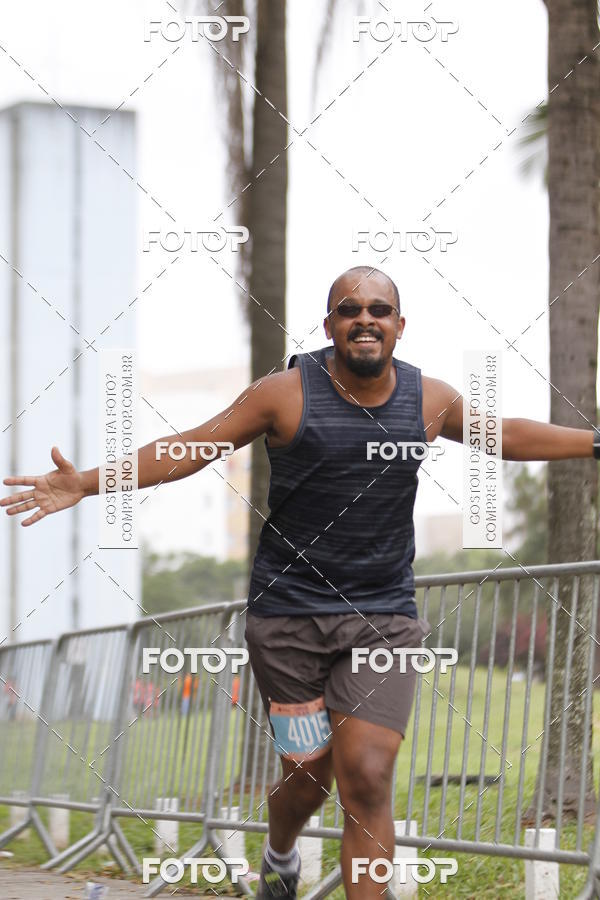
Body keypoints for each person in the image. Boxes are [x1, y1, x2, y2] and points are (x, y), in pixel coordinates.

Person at [2, 266, 596, 899]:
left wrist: (594, 443)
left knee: (366, 776)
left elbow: (503, 434)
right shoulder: (283, 393)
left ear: (399, 326)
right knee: (308, 773)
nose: (364, 318)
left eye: (378, 309)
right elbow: (191, 446)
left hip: (382, 620)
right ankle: (281, 853)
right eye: (349, 309)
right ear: (330, 325)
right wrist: (87, 482)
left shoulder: (430, 400)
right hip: (286, 625)